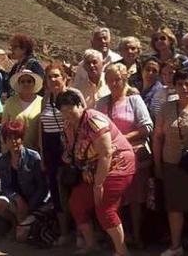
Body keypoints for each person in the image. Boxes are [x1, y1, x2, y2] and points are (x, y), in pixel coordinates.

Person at [59, 88, 135, 255]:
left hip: (118, 165)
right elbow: (74, 152)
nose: (67, 113)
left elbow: (106, 153)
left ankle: (122, 252)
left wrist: (98, 184)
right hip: (92, 168)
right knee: (77, 203)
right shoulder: (68, 125)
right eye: (63, 110)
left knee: (105, 209)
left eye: (70, 108)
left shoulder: (94, 120)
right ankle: (91, 245)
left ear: (80, 105)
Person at [153, 68, 188, 256]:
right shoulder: (166, 108)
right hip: (172, 165)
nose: (184, 88)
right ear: (174, 86)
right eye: (180, 84)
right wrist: (157, 164)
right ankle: (176, 246)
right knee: (174, 207)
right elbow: (158, 137)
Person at [95, 63, 153, 248]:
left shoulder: (134, 100)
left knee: (135, 199)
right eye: (110, 80)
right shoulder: (102, 103)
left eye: (117, 79)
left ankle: (137, 237)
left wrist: (121, 139)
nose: (114, 83)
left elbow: (146, 127)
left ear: (124, 80)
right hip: (109, 158)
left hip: (134, 156)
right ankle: (117, 239)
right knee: (113, 200)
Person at [38, 62, 78, 245]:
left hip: (69, 147)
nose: (53, 80)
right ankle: (64, 233)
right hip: (50, 149)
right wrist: (42, 155)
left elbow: (81, 121)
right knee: (56, 190)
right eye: (49, 77)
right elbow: (41, 127)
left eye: (56, 76)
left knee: (73, 189)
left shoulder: (73, 95)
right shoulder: (45, 99)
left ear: (64, 78)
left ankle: (80, 232)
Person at [0, 120, 49, 242]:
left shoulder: (33, 157)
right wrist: (17, 198)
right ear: (5, 140)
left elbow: (42, 188)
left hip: (36, 202)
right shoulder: (3, 160)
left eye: (17, 138)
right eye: (10, 138)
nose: (14, 141)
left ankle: (24, 225)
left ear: (22, 138)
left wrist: (29, 206)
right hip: (16, 202)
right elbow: (5, 186)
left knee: (21, 238)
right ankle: (15, 223)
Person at [1, 69, 43, 151]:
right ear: (18, 84)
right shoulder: (10, 102)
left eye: (29, 81)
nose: (26, 84)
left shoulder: (42, 102)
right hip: (14, 151)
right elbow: (4, 129)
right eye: (22, 81)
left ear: (34, 84)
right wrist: (4, 148)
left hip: (35, 152)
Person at [5, 33, 46, 98]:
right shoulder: (16, 66)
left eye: (15, 47)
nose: (11, 49)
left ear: (24, 49)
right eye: (11, 46)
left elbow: (41, 85)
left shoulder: (33, 65)